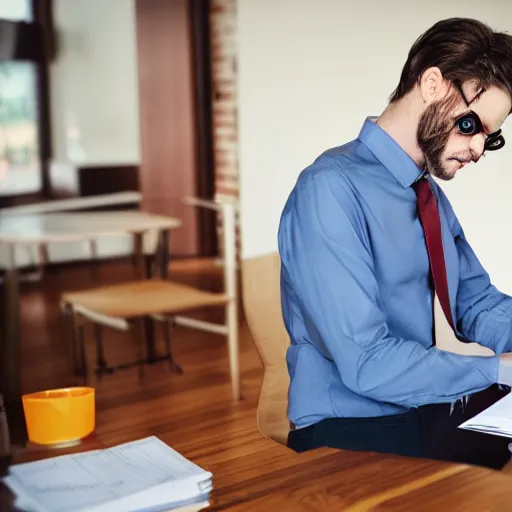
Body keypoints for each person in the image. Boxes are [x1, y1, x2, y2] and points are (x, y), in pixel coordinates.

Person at [278, 17, 512, 470]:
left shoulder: (428, 197)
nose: (479, 149)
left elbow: (478, 303)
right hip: (346, 426)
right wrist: (499, 369)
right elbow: (367, 361)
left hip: (417, 408)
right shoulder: (328, 189)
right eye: (470, 124)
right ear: (431, 84)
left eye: (492, 136)